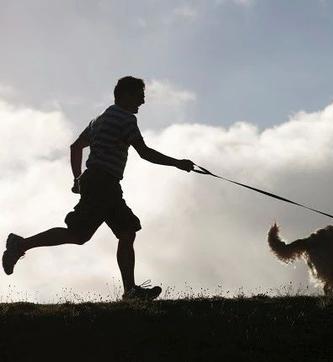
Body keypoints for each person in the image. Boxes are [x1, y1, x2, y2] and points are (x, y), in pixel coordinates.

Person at [2, 76, 194, 301]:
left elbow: (76, 147)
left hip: (102, 183)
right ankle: (20, 244)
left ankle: (130, 291)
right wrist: (177, 163)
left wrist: (77, 178)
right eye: (139, 97)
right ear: (125, 95)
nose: (142, 102)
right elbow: (144, 152)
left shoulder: (99, 120)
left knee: (127, 231)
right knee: (80, 235)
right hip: (103, 183)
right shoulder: (126, 119)